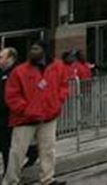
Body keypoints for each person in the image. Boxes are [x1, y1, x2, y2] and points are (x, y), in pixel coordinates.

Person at [2, 40, 68, 185]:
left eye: (37, 48)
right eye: (32, 48)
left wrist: (57, 102)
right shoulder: (20, 71)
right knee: (17, 153)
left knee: (48, 150)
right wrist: (25, 109)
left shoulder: (58, 66)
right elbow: (12, 95)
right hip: (25, 119)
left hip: (48, 117)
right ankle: (10, 181)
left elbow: (64, 85)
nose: (33, 50)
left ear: (45, 50)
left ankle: (47, 179)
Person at [0, 48, 20, 180]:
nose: (0, 59)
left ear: (10, 58)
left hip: (9, 116)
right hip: (1, 115)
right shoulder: (2, 73)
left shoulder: (15, 73)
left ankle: (9, 174)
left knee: (7, 146)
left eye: (2, 57)